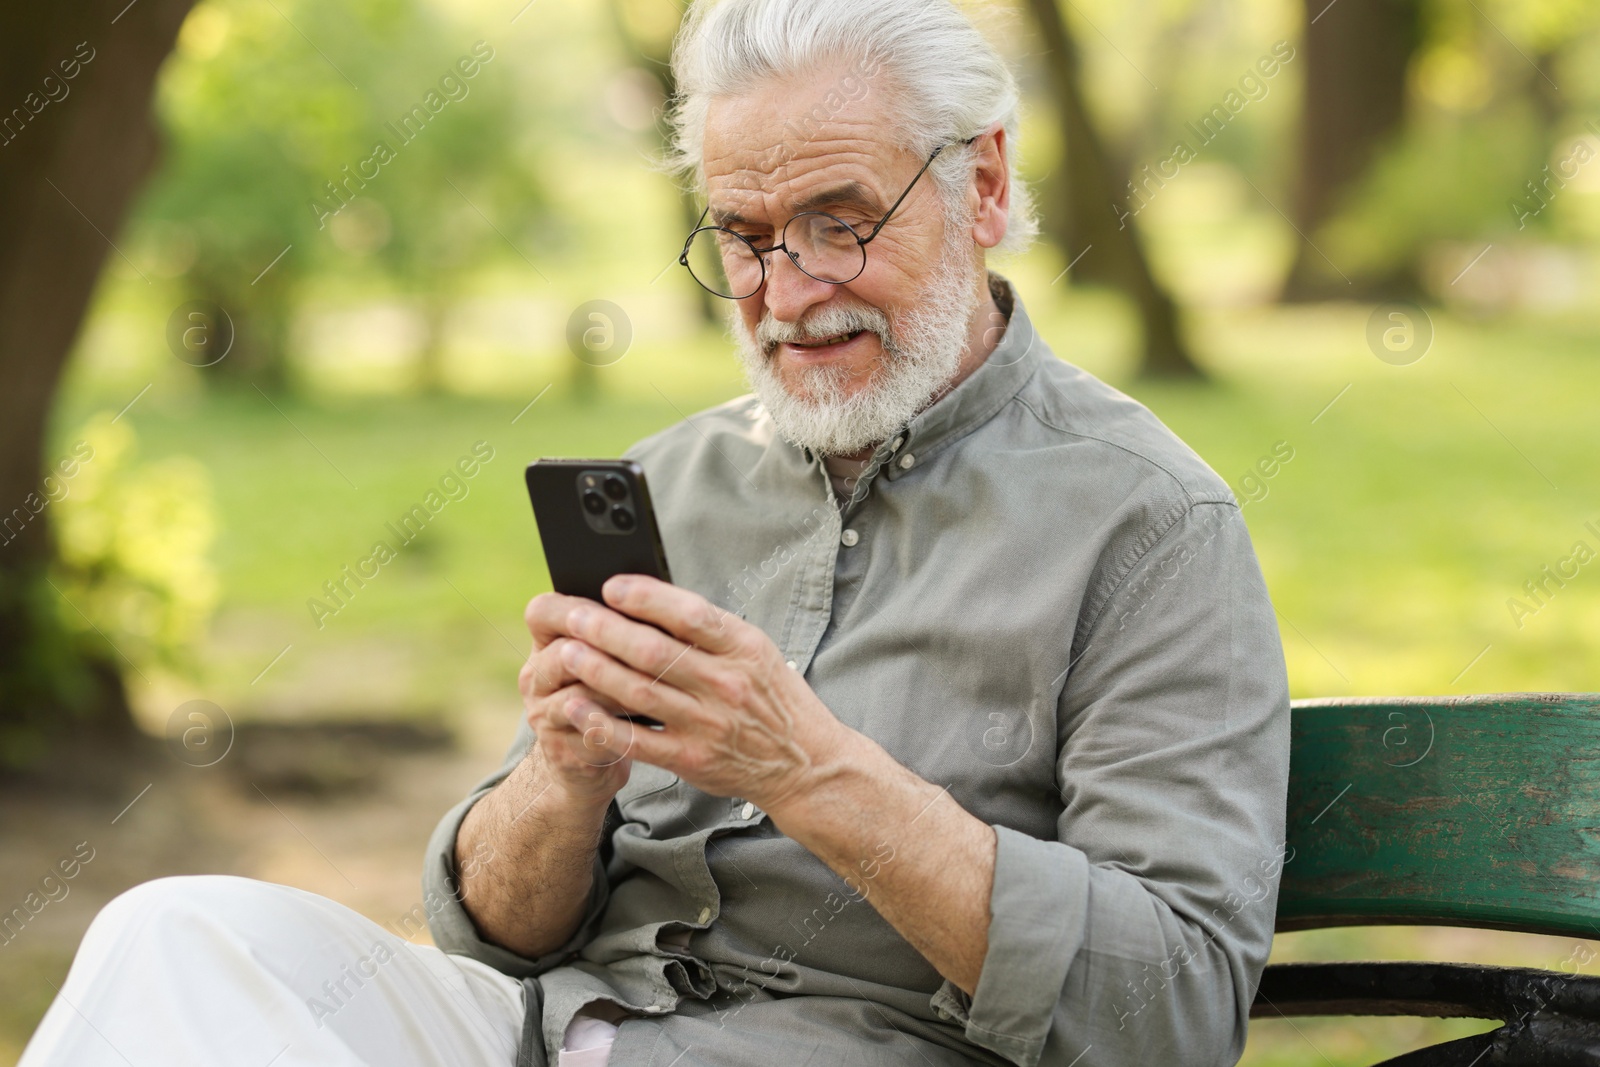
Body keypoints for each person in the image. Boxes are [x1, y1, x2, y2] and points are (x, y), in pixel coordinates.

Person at [18, 1, 1289, 1064]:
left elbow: (1169, 1008)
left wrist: (808, 768)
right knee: (171, 932)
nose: (787, 293)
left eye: (839, 221)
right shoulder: (669, 482)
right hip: (549, 1032)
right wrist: (559, 782)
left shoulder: (1149, 525)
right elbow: (498, 937)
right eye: (742, 237)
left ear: (986, 183)